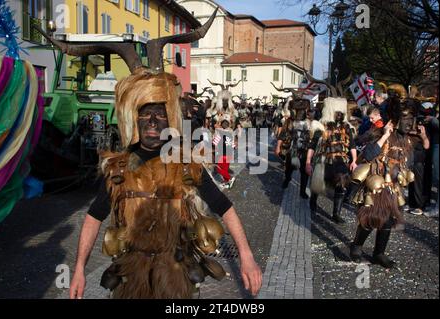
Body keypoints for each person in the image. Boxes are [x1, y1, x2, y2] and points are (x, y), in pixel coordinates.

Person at [68, 9, 262, 299]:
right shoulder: (118, 168)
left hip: (174, 277)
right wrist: (79, 269)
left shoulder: (185, 164)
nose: (153, 121)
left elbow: (225, 207)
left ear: (168, 117)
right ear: (134, 118)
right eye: (145, 114)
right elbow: (94, 218)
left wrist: (246, 256)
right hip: (130, 279)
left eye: (159, 113)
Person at [349, 98, 415, 268]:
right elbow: (369, 154)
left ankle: (379, 253)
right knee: (371, 218)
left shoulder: (407, 140)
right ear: (395, 120)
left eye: (411, 119)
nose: (410, 123)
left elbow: (410, 162)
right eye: (406, 119)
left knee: (388, 221)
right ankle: (356, 246)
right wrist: (385, 134)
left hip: (393, 187)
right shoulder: (380, 133)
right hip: (375, 186)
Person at [305, 75, 358, 224]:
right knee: (317, 184)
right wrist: (308, 162)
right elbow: (312, 145)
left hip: (341, 161)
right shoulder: (320, 126)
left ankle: (336, 214)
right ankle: (313, 204)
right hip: (323, 161)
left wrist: (354, 160)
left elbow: (352, 144)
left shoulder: (347, 127)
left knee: (341, 185)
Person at [275, 93, 311, 198]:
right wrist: (278, 147)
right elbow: (282, 134)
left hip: (304, 151)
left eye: (302, 111)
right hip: (291, 150)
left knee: (304, 173)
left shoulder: (310, 123)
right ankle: (287, 179)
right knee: (289, 168)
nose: (300, 113)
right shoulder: (289, 121)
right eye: (298, 111)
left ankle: (302, 191)